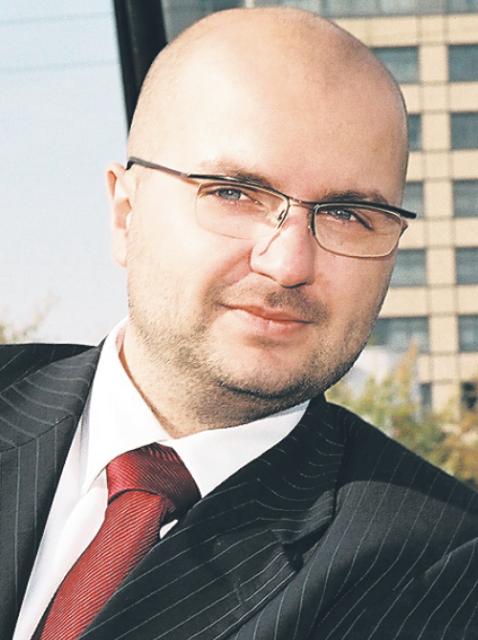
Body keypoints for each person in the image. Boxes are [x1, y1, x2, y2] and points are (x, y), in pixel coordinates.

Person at [3, 7, 477, 640]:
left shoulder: (443, 569)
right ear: (125, 214)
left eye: (347, 214)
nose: (287, 264)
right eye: (234, 192)